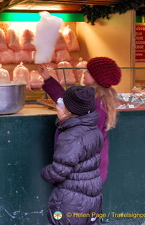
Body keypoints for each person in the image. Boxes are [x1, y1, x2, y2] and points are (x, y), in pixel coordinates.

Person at [38, 57, 121, 183]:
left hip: (83, 169)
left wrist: (65, 119)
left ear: (96, 77)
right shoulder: (96, 98)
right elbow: (66, 100)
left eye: (87, 71)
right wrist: (48, 79)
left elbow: (83, 134)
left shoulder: (96, 103)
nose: (84, 73)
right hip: (89, 169)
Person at [41, 86, 103, 225]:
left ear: (69, 110)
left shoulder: (71, 136)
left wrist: (45, 173)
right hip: (92, 195)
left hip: (71, 200)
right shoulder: (93, 129)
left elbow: (60, 170)